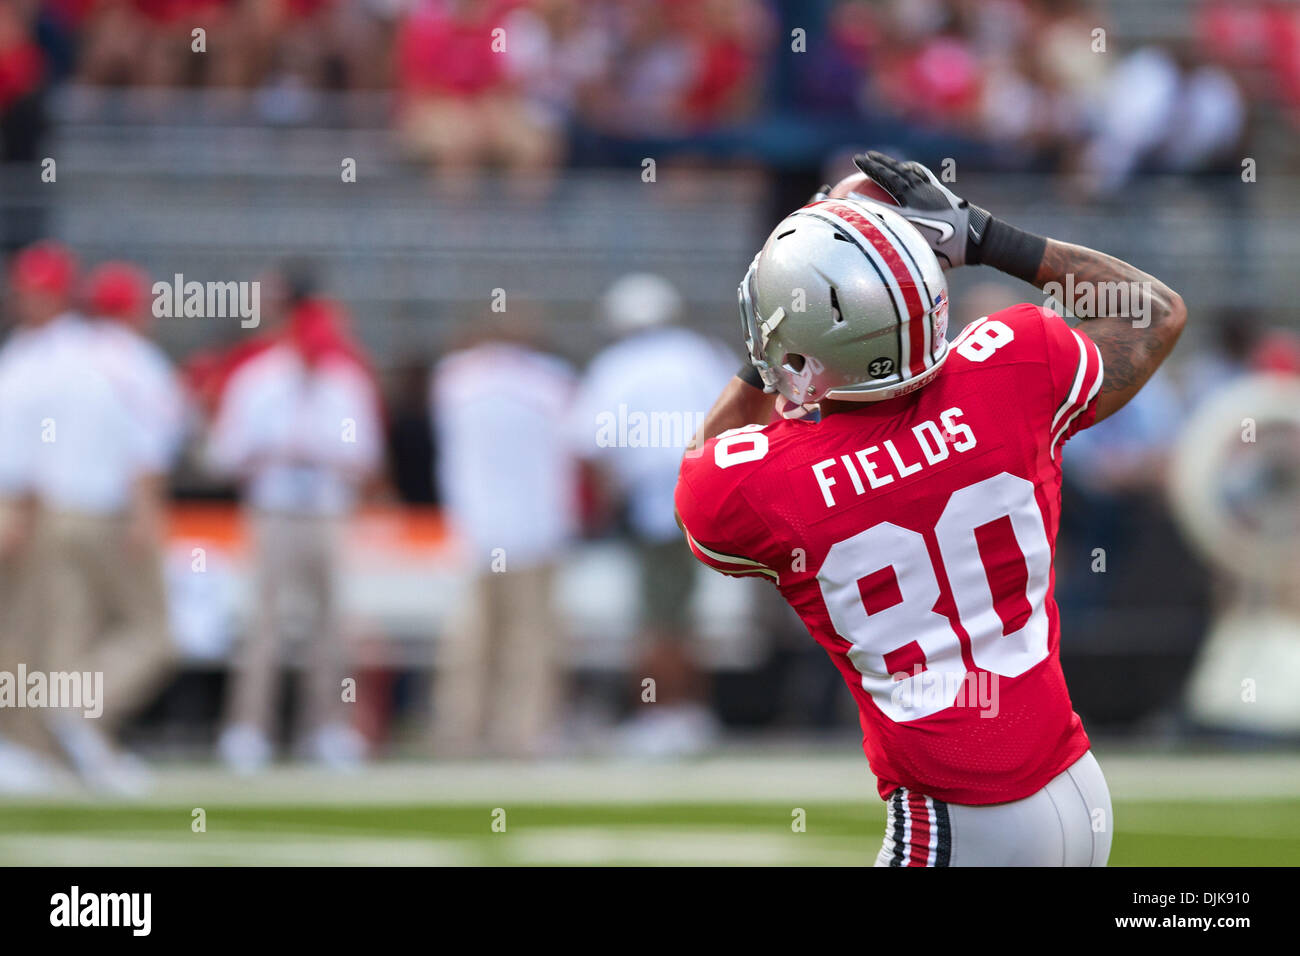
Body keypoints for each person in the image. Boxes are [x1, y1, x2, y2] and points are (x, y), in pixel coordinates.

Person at [675, 152, 1185, 866]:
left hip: (955, 812)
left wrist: (775, 342)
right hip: (1076, 784)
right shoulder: (1012, 365)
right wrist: (980, 236)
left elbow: (708, 464)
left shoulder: (760, 484)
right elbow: (1153, 312)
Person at [0, 242, 178, 794]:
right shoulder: (106, 359)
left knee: (46, 638)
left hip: (52, 508)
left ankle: (48, 744)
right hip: (79, 510)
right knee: (69, 636)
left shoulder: (66, 356)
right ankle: (52, 740)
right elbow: (145, 448)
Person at [208, 295, 382, 773]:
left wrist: (321, 450)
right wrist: (275, 450)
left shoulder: (345, 381)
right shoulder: (259, 380)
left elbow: (365, 455)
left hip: (326, 512)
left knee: (329, 627)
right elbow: (225, 453)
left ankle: (325, 729)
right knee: (264, 625)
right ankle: (249, 729)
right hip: (274, 510)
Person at [572, 273, 735, 756]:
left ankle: (663, 715)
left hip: (657, 507)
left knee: (658, 619)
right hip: (712, 496)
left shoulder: (617, 365)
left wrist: (603, 503)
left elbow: (589, 444)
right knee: (683, 614)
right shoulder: (701, 354)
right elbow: (746, 417)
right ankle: (688, 713)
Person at [430, 317, 578, 758]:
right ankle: (524, 733)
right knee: (529, 642)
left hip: (481, 532)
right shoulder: (549, 382)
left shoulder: (456, 381)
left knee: (474, 639)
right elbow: (580, 442)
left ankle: (461, 731)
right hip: (534, 530)